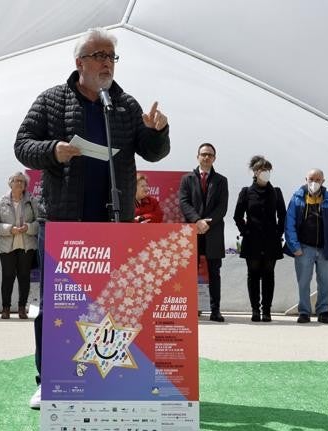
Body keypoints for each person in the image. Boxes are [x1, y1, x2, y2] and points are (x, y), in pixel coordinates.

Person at [14, 26, 171, 408]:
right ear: (79, 62)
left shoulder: (125, 105)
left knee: (112, 304)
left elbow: (153, 154)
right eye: (99, 56)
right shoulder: (52, 101)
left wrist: (158, 132)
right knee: (55, 305)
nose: (106, 63)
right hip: (65, 223)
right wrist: (55, 150)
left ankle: (109, 377)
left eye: (111, 57)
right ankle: (48, 379)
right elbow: (22, 145)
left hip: (113, 223)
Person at [284, 168, 328, 324]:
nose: (314, 182)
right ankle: (304, 311)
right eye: (311, 179)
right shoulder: (297, 198)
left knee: (327, 281)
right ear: (306, 180)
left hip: (325, 248)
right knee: (303, 282)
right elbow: (289, 223)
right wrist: (294, 246)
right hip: (304, 248)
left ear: (323, 181)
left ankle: (323, 310)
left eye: (318, 179)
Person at [179, 143, 229, 322]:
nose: (206, 157)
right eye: (203, 154)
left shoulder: (221, 180)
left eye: (210, 155)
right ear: (197, 156)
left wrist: (207, 222)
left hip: (213, 232)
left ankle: (215, 311)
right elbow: (184, 202)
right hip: (192, 233)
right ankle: (190, 309)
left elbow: (222, 207)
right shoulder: (187, 179)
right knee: (189, 273)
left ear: (214, 158)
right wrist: (197, 221)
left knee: (215, 273)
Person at [234, 155, 286, 322]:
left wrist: (278, 233)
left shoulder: (276, 192)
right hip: (252, 240)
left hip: (271, 240)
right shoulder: (246, 192)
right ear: (255, 172)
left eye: (268, 170)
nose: (265, 173)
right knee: (253, 274)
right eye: (262, 170)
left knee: (269, 274)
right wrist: (246, 232)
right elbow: (237, 216)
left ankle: (267, 311)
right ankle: (255, 309)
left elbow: (283, 215)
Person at [0, 171, 42, 319]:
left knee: (24, 277)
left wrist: (29, 227)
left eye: (22, 181)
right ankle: (5, 308)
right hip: (7, 245)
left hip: (27, 244)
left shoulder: (32, 202)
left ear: (25, 185)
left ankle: (21, 308)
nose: (19, 183)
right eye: (16, 180)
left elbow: (40, 222)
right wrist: (9, 229)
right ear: (10, 183)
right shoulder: (1, 202)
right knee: (7, 276)